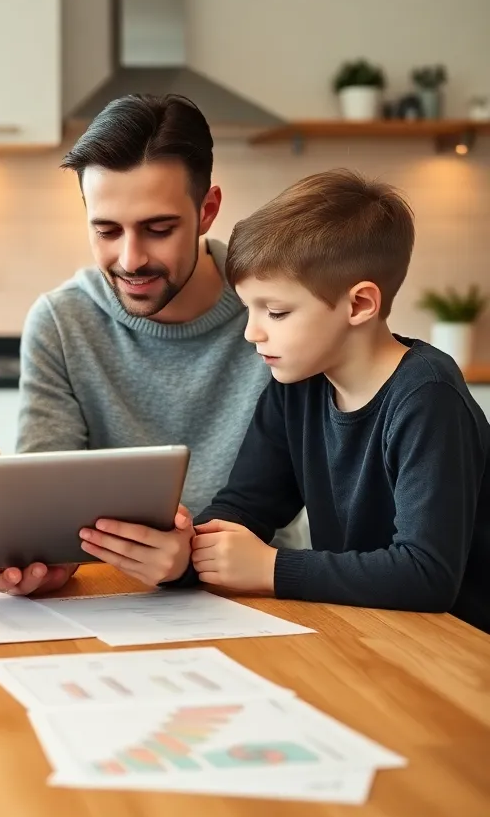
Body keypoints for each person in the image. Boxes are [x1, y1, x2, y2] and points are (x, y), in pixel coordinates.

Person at [0, 93, 274, 597]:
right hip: (113, 599)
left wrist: (189, 559)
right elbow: (47, 505)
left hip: (260, 595)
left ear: (208, 210)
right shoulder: (62, 322)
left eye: (158, 229)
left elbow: (300, 515)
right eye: (106, 230)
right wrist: (44, 560)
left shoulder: (274, 313)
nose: (131, 259)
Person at [191, 170, 489, 632]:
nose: (252, 332)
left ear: (359, 305)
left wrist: (271, 568)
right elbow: (246, 507)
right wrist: (185, 547)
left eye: (276, 312)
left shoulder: (428, 397)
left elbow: (426, 575)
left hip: (456, 649)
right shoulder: (296, 386)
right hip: (367, 630)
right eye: (249, 308)